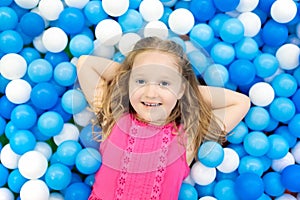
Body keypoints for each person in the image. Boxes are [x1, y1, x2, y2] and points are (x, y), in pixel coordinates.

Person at [76, 36, 250, 200]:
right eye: (140, 81)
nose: (151, 93)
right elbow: (85, 64)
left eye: (164, 83)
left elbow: (240, 103)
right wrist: (128, 74)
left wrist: (186, 88)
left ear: (181, 89)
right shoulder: (115, 119)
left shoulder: (186, 137)